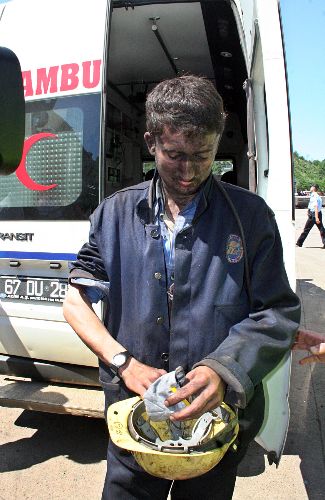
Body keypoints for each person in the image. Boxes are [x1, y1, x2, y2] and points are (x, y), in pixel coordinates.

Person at [63, 75, 301, 500]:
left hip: (217, 422)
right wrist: (125, 363)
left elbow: (277, 312)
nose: (189, 171)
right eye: (174, 155)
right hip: (134, 418)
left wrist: (223, 370)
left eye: (203, 155)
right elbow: (76, 301)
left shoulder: (250, 217)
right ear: (151, 140)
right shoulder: (114, 214)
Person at [296, 184, 325, 248]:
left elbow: (316, 207)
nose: (310, 188)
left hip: (314, 214)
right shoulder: (315, 196)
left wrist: (316, 217)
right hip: (317, 213)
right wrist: (308, 211)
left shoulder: (314, 196)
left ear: (314, 188)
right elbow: (312, 205)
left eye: (311, 186)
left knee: (306, 229)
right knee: (321, 229)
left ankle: (299, 243)